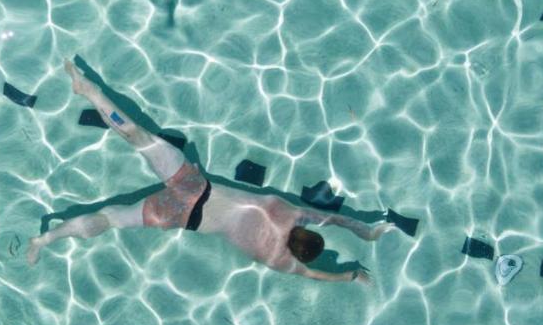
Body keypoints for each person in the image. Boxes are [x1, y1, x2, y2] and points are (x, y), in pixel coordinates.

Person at [26, 59, 389, 282]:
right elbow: (316, 276)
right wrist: (350, 276)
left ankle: (86, 89)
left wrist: (365, 231)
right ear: (298, 251)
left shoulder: (291, 212)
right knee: (109, 219)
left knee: (137, 134)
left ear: (306, 231)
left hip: (195, 185)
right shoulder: (277, 259)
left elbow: (337, 220)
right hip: (182, 216)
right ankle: (44, 240)